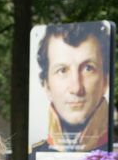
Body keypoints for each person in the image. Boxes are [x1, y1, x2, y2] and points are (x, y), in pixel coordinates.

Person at [33, 22, 112, 152]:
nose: (76, 88)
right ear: (46, 85)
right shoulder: (35, 156)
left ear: (105, 81)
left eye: (88, 68)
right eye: (62, 70)